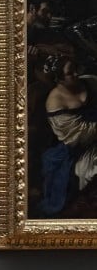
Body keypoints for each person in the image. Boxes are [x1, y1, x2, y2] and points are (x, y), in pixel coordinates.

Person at [38, 56, 97, 216]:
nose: (77, 74)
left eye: (75, 69)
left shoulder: (90, 82)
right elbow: (77, 135)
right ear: (59, 79)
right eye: (71, 73)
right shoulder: (55, 102)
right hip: (76, 147)